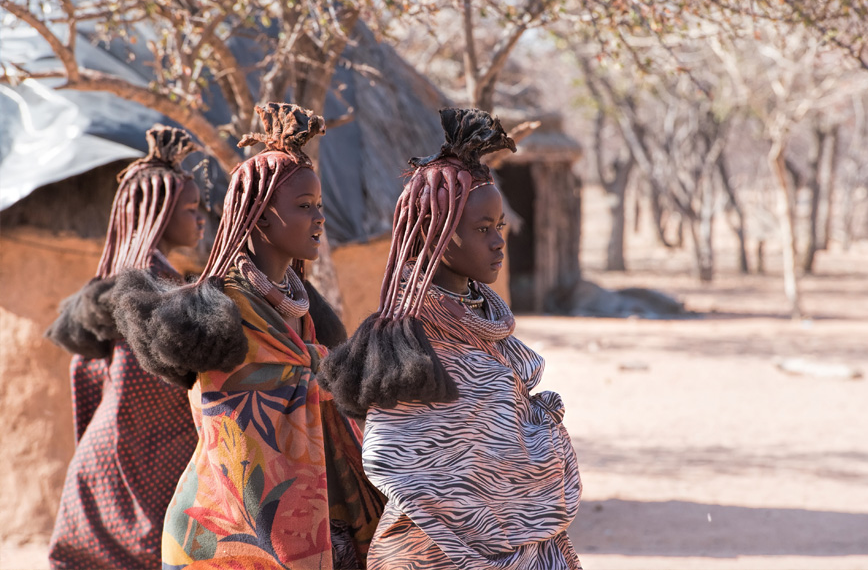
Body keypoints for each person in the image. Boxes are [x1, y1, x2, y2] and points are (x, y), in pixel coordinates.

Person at [114, 102, 384, 569]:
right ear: (259, 217)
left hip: (318, 520)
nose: (320, 218)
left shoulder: (301, 307)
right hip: (230, 532)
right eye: (304, 207)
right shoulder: (222, 313)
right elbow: (231, 429)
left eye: (319, 205)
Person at [320, 108, 583, 570]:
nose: (499, 242)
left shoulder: (489, 334)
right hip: (431, 557)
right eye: (482, 229)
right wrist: (544, 439)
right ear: (432, 234)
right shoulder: (412, 347)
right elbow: (391, 455)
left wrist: (538, 437)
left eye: (498, 227)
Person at [45, 125, 207, 570]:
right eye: (191, 209)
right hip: (133, 480)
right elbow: (149, 391)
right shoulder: (150, 292)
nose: (200, 219)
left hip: (106, 472)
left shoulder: (126, 279)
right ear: (158, 213)